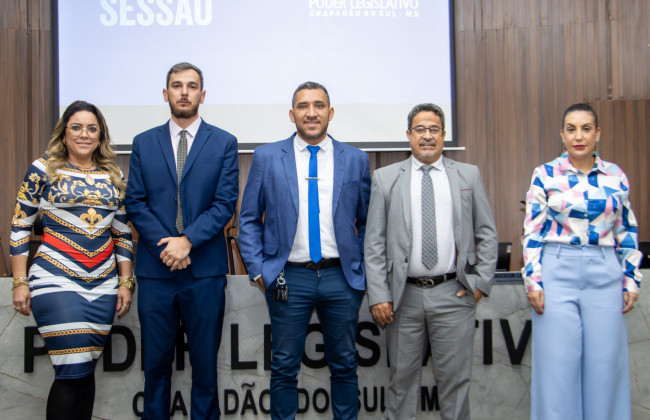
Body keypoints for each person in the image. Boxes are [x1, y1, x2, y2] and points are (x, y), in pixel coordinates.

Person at [239, 81, 371, 420]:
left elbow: (369, 221)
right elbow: (249, 218)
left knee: (345, 364)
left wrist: (361, 267)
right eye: (303, 106)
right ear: (291, 114)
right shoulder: (267, 157)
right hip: (288, 277)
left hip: (341, 278)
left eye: (318, 105)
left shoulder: (355, 159)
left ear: (330, 112)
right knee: (284, 366)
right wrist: (259, 270)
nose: (311, 113)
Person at [365, 103, 497, 420]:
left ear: (444, 134)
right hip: (403, 298)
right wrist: (380, 294)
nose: (427, 135)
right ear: (409, 135)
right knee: (401, 385)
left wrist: (481, 282)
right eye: (420, 129)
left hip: (453, 294)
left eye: (434, 129)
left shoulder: (468, 175)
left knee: (455, 386)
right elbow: (374, 242)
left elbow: (487, 232)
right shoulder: (385, 178)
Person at [125, 62, 239, 420]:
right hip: (156, 272)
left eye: (191, 86)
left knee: (205, 368)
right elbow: (135, 203)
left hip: (204, 271)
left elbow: (225, 204)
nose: (184, 92)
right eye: (177, 85)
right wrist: (168, 246)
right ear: (166, 94)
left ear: (202, 95)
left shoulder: (224, 142)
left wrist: (187, 241)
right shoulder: (143, 142)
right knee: (155, 367)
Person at [10, 100, 134, 420]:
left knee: (85, 368)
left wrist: (125, 282)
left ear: (100, 135)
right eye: (76, 127)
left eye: (92, 128)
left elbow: (122, 234)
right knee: (71, 370)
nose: (84, 134)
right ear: (64, 133)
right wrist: (20, 282)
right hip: (56, 279)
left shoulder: (114, 174)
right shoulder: (42, 168)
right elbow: (20, 226)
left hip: (103, 285)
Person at [522, 103, 642, 420]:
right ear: (562, 135)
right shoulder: (545, 173)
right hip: (556, 271)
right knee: (557, 369)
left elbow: (626, 230)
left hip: (605, 273)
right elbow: (532, 231)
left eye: (586, 129)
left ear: (597, 133)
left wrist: (631, 279)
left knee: (605, 368)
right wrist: (533, 280)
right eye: (571, 129)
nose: (579, 136)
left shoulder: (616, 175)